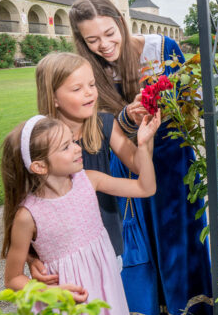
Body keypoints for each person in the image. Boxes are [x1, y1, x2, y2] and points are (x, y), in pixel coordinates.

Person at [69, 0, 216, 315]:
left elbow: (193, 100)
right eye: (92, 40)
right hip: (130, 166)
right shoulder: (90, 71)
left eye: (109, 33)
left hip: (175, 162)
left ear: (121, 20)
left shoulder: (162, 49)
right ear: (82, 41)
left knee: (180, 242)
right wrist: (127, 118)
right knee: (144, 252)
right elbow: (97, 126)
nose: (104, 45)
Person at [0, 112, 160, 315]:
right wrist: (50, 293)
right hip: (66, 305)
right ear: (39, 166)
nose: (77, 148)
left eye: (73, 141)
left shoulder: (90, 180)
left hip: (105, 290)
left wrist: (142, 145)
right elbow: (13, 278)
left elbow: (146, 188)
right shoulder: (27, 216)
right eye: (66, 147)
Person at [31, 52, 148, 263]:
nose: (90, 93)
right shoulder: (38, 138)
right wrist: (31, 258)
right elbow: (25, 203)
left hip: (106, 241)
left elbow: (139, 166)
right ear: (53, 97)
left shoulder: (104, 124)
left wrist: (145, 133)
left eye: (92, 85)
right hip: (62, 250)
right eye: (77, 89)